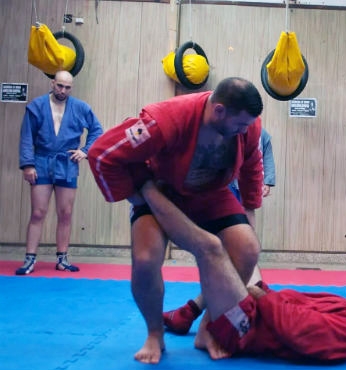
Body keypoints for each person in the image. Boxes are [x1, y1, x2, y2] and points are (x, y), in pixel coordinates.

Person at [87, 77, 265, 364]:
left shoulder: (249, 124)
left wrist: (251, 208)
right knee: (145, 260)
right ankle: (154, 333)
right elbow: (101, 154)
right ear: (219, 111)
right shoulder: (164, 119)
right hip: (163, 190)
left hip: (212, 192)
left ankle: (208, 327)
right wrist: (133, 195)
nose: (245, 130)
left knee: (248, 250)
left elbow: (252, 165)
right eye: (240, 125)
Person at [141, 179, 346, 362]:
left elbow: (295, 328)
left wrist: (258, 296)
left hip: (244, 329)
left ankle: (147, 191)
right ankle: (193, 315)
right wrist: (262, 291)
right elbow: (293, 304)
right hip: (257, 310)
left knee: (211, 248)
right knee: (247, 252)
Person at [163, 126, 276, 335]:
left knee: (240, 263)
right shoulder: (225, 132)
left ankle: (190, 312)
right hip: (227, 186)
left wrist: (268, 180)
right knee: (236, 260)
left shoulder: (258, 134)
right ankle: (191, 313)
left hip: (240, 189)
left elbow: (264, 157)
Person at [17, 70, 103, 275]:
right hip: (41, 161)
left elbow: (97, 130)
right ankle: (29, 259)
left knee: (65, 213)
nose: (63, 90)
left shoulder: (81, 108)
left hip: (67, 163)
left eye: (67, 87)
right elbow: (26, 137)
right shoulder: (36, 106)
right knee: (38, 212)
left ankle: (62, 259)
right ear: (52, 83)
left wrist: (84, 151)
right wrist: (28, 165)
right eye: (59, 86)